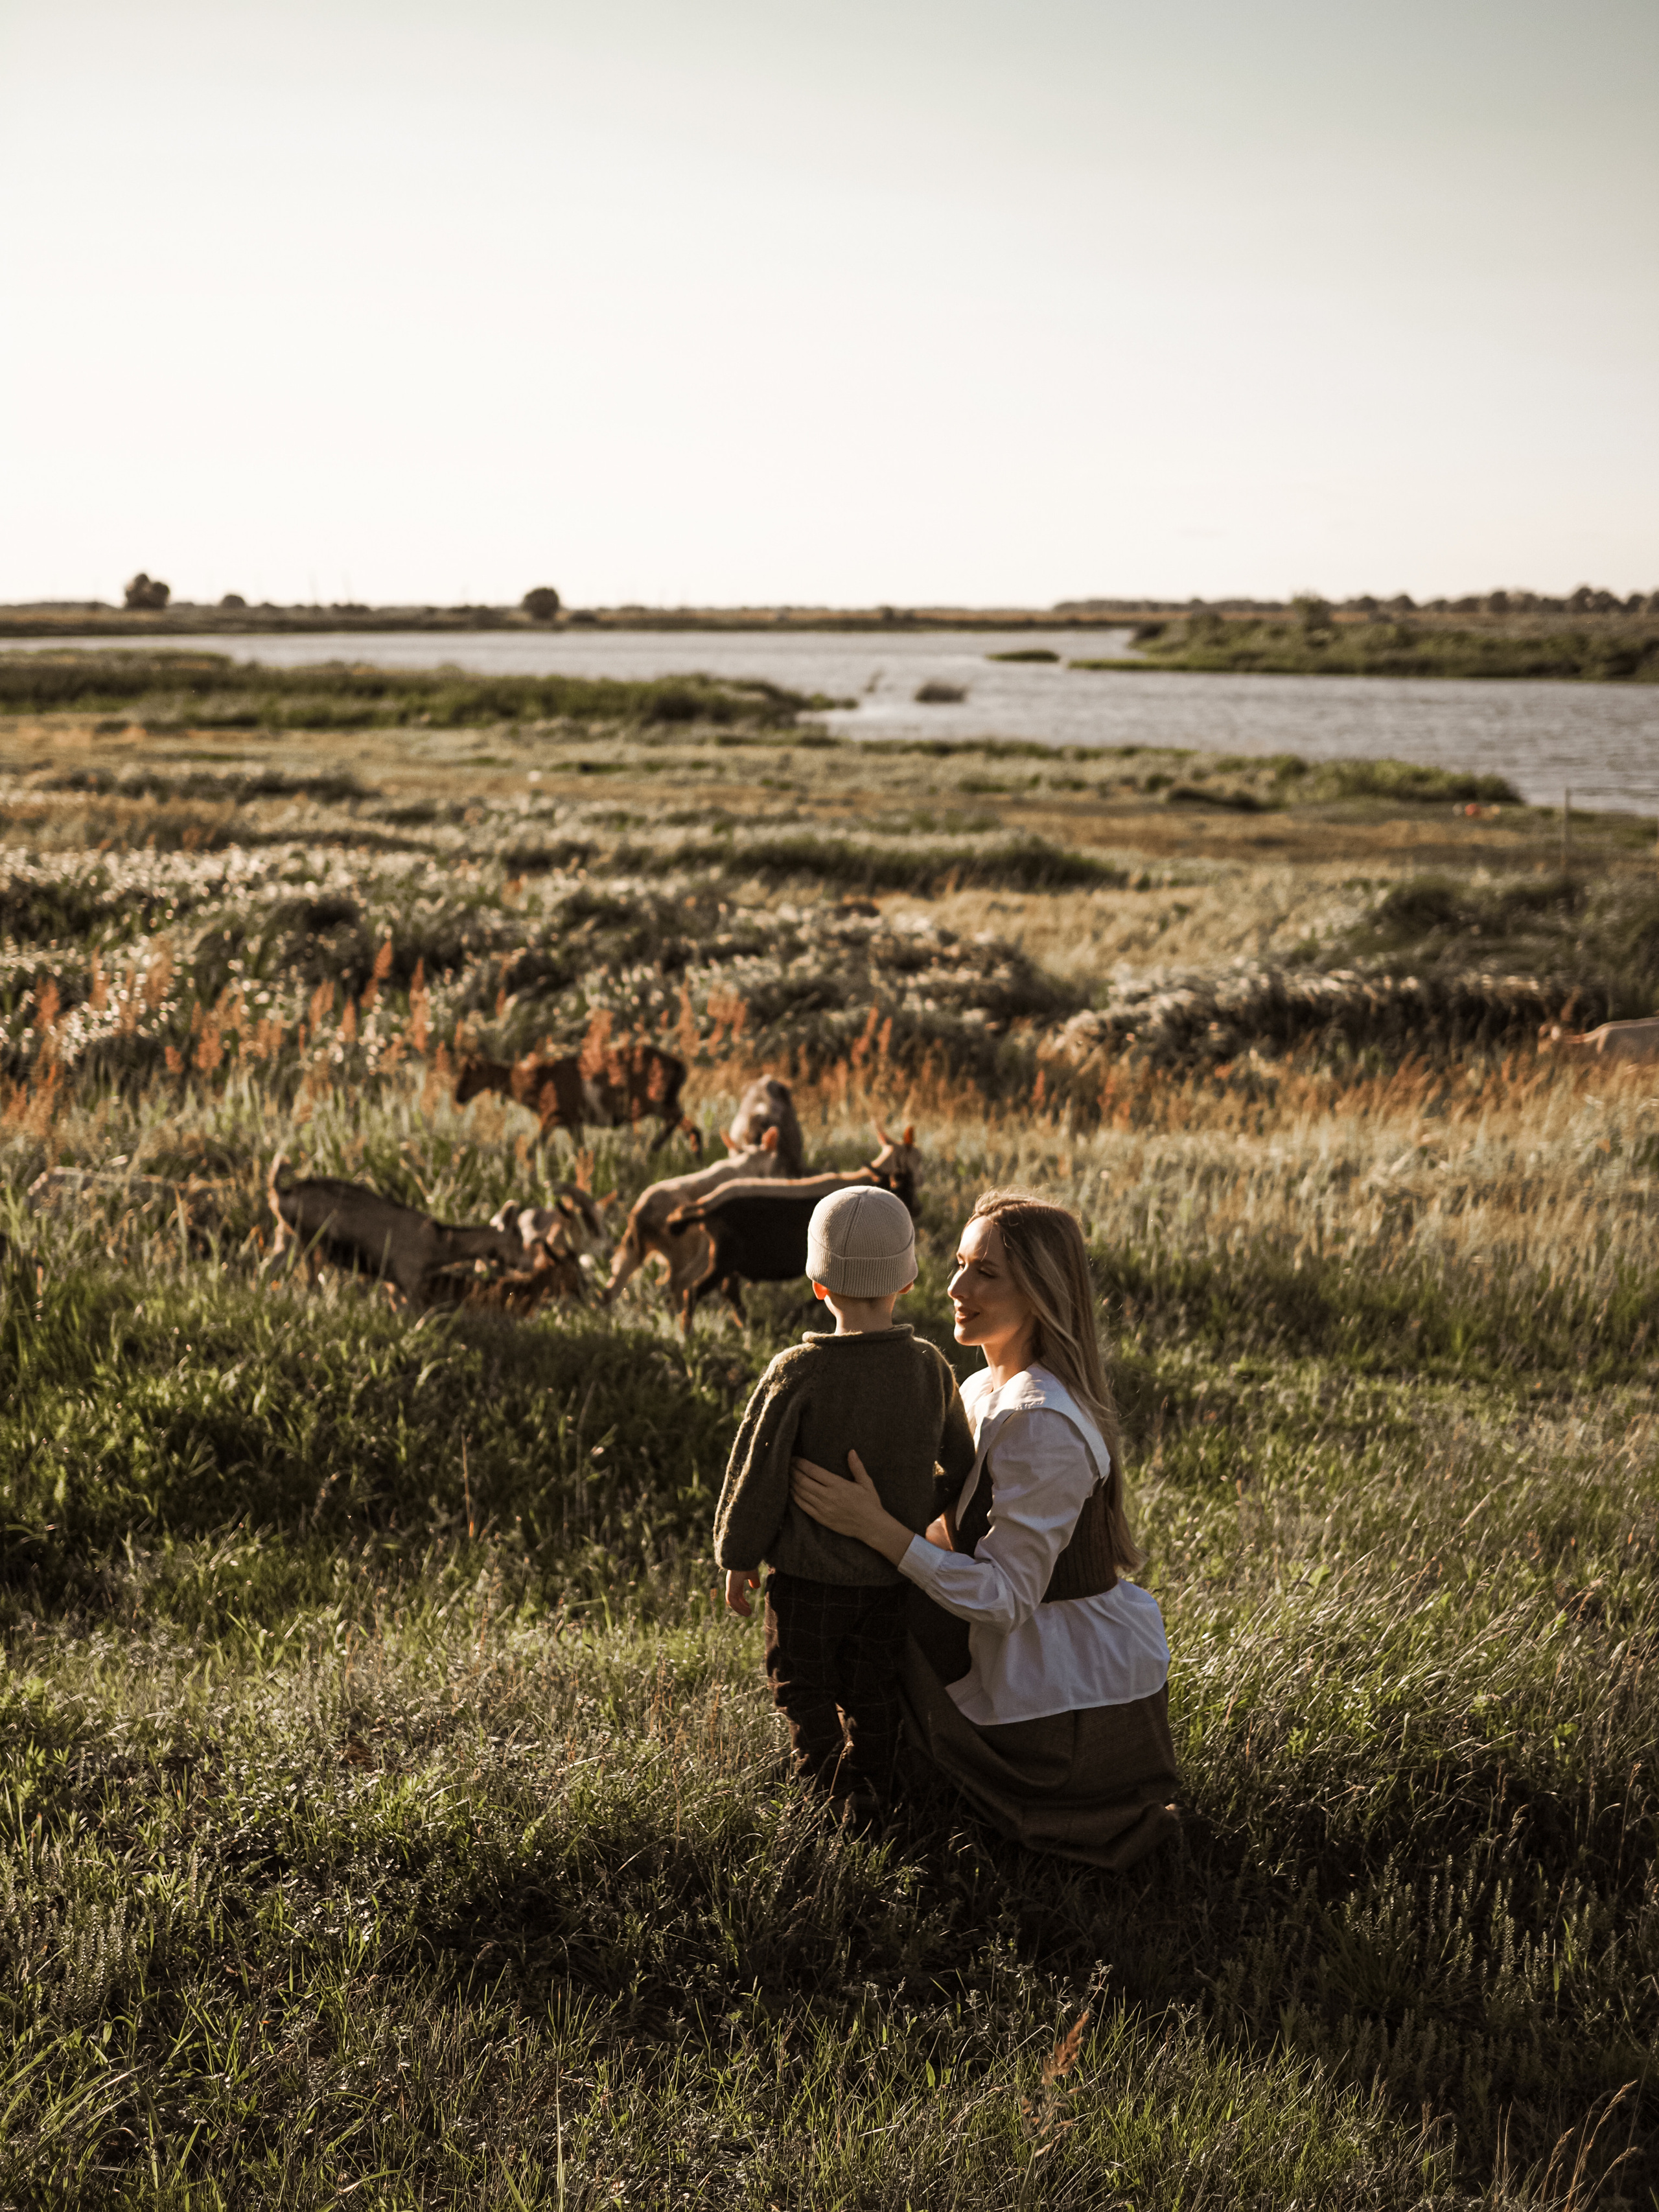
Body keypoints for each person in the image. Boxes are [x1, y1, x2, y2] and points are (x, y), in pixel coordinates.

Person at [789, 1189, 1178, 1869]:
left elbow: (1005, 1600)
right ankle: (846, 1775)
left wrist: (875, 1527)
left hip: (1058, 1697)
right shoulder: (977, 1389)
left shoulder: (1041, 1417)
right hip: (1008, 1645)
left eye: (985, 1272)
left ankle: (866, 1792)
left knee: (874, 1622)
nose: (954, 1286)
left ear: (1040, 1291)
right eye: (958, 1262)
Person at [713, 1185, 977, 1817]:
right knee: (871, 1687)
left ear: (817, 1282)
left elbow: (758, 1469)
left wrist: (738, 1554)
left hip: (805, 1581)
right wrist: (916, 1505)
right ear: (908, 1282)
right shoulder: (929, 1368)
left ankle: (825, 1787)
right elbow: (964, 1466)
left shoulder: (797, 1370)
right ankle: (873, 1786)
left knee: (800, 1684)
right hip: (889, 1580)